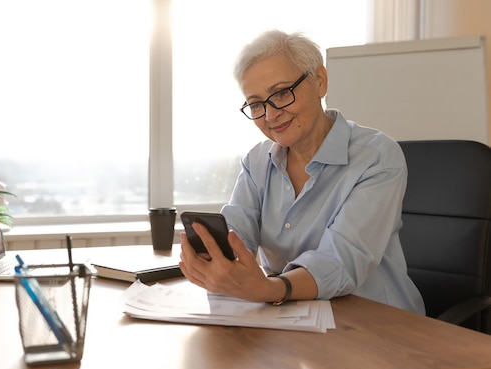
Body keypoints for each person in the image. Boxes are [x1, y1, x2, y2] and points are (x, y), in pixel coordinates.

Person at [179, 30, 425, 314]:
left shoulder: (377, 157)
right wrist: (215, 258)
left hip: (378, 323)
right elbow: (237, 234)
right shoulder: (257, 161)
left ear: (320, 81)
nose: (270, 115)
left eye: (281, 93)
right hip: (291, 320)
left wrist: (271, 289)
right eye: (257, 104)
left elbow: (342, 260)